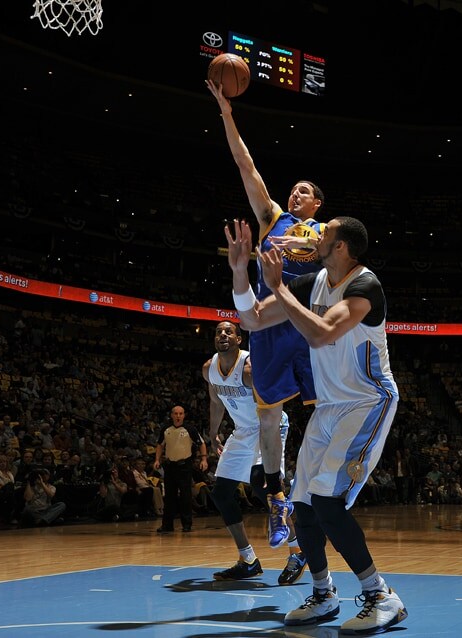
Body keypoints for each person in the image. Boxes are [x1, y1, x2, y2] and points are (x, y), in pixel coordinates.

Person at [227, 216, 408, 633]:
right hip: (329, 406)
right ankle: (324, 594)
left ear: (341, 246)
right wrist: (240, 272)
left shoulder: (365, 286)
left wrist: (279, 287)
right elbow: (252, 320)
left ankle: (382, 595)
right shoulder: (314, 282)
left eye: (324, 235)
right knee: (303, 505)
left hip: (367, 401)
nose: (316, 237)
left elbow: (322, 334)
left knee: (327, 502)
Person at [207, 78, 325, 550]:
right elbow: (245, 164)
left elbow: (337, 261)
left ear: (317, 203)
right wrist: (227, 114)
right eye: (292, 190)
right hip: (271, 326)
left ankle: (316, 494)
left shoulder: (327, 231)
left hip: (308, 323)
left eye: (304, 191)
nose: (295, 195)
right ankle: (277, 497)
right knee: (268, 417)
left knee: (323, 416)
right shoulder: (272, 219)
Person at [203, 320, 307, 586]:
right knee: (221, 493)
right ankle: (247, 559)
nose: (223, 334)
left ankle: (298, 550)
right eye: (219, 331)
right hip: (243, 429)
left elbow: (271, 410)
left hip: (268, 426)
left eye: (229, 331)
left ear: (239, 340)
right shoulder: (209, 369)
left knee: (264, 487)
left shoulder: (249, 370)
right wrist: (213, 433)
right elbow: (216, 402)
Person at [154, 405, 207, 534]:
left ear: (184, 415)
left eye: (181, 413)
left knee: (185, 496)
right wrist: (157, 459)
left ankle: (187, 524)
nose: (178, 416)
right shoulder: (166, 429)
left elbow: (201, 443)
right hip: (170, 466)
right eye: (176, 413)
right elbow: (160, 445)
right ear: (172, 415)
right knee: (169, 496)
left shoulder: (190, 429)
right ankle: (167, 525)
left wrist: (204, 459)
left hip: (184, 466)